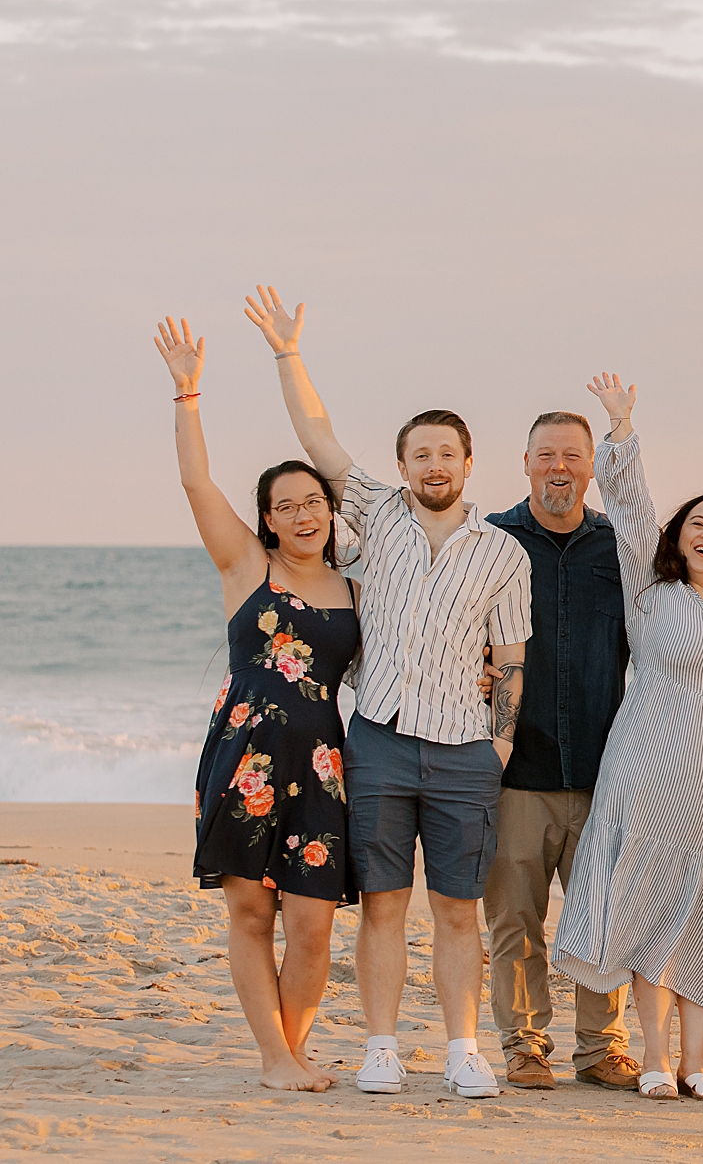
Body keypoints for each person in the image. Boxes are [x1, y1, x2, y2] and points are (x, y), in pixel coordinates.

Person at [246, 287, 529, 1101]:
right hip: (375, 738)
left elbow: (509, 657)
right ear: (402, 465)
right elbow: (317, 436)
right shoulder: (378, 513)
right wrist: (287, 352)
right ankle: (379, 1045)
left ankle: (463, 1047)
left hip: (463, 748)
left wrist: (498, 744)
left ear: (469, 464)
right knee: (382, 903)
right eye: (421, 455)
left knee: (455, 909)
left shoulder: (504, 554)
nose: (434, 466)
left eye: (448, 453)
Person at [549, 373, 703, 1103]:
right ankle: (652, 1054)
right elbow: (629, 502)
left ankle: (697, 1060)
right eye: (698, 524)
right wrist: (621, 427)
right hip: (657, 777)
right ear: (679, 535)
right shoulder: (653, 590)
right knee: (656, 910)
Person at [156, 316, 357, 1094]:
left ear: (329, 511)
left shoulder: (355, 590)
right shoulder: (245, 564)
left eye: (315, 502)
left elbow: (408, 658)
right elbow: (195, 483)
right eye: (287, 505)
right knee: (251, 914)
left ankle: (290, 1050)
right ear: (267, 517)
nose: (304, 515)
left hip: (323, 766)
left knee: (313, 922)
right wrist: (187, 393)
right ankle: (275, 1057)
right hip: (246, 757)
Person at [479, 411, 641, 1091]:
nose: (559, 467)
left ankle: (601, 1047)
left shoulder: (621, 548)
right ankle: (524, 1044)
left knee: (603, 918)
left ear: (592, 465)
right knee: (516, 916)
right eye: (546, 454)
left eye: (572, 455)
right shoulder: (489, 540)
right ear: (525, 462)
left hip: (607, 769)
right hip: (519, 770)